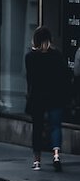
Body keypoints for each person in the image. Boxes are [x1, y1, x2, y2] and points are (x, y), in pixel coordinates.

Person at [25, 25, 71, 171]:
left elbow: (30, 79)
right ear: (49, 39)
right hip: (55, 96)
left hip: (38, 97)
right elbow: (65, 75)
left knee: (37, 128)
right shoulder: (56, 55)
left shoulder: (30, 57)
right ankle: (56, 155)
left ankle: (37, 161)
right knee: (55, 126)